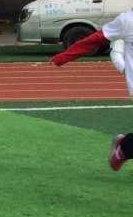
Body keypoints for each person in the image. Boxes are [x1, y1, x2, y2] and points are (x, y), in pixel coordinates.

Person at [52, 14, 133, 169]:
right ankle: (123, 149)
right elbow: (94, 40)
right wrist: (63, 57)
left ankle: (124, 148)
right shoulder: (127, 21)